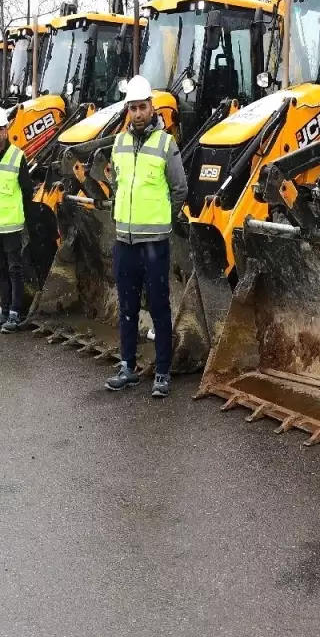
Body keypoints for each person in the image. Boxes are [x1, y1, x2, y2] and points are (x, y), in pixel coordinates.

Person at [104, 75, 188, 398]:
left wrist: (163, 220)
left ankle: (162, 372)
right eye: (133, 108)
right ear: (128, 110)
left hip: (153, 243)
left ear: (152, 107)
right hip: (124, 242)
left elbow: (179, 190)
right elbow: (117, 184)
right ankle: (127, 365)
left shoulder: (166, 144)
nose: (138, 113)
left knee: (158, 307)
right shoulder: (120, 143)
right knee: (126, 306)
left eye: (143, 107)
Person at [0, 106, 35, 334]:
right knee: (1, 269)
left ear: (7, 129)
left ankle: (15, 311)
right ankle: (3, 309)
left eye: (0, 129)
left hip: (11, 224)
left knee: (14, 269)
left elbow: (27, 190)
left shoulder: (17, 156)